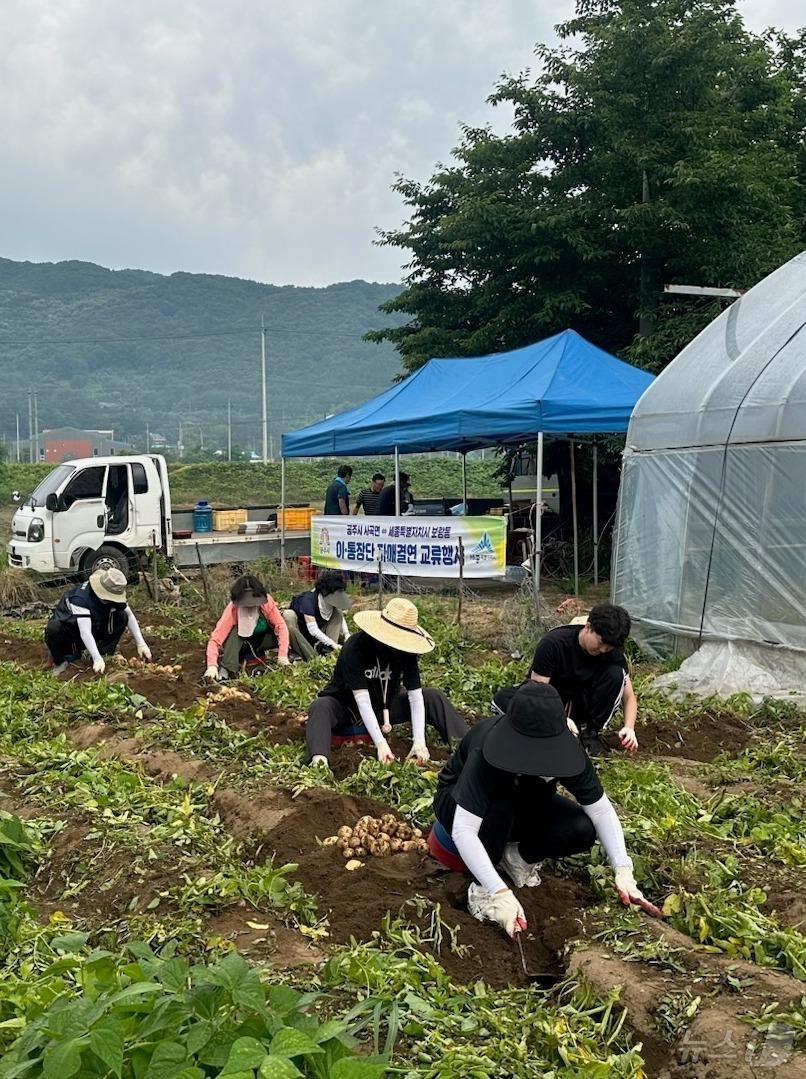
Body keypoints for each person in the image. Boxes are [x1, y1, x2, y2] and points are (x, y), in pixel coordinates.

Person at [430, 681, 660, 939]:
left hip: (522, 799)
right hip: (459, 802)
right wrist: (498, 890)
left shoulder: (567, 749)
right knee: (502, 804)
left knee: (581, 829)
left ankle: (516, 858)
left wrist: (622, 868)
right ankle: (482, 890)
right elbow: (464, 828)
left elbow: (601, 811)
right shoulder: (488, 746)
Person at [305, 596, 469, 767]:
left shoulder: (406, 651)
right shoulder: (355, 647)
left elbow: (415, 696)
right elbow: (362, 701)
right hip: (347, 707)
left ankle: (468, 747)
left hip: (384, 707)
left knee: (432, 696)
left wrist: (419, 742)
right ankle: (319, 761)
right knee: (320, 706)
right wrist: (381, 744)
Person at [493, 603, 638, 756]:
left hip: (579, 702)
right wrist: (559, 718)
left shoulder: (612, 652)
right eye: (601, 643)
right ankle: (551, 732)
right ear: (588, 627)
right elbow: (538, 693)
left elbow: (629, 697)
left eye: (608, 648)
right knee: (503, 700)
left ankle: (590, 734)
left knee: (616, 674)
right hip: (549, 700)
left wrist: (629, 727)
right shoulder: (554, 643)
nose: (603, 650)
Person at [44, 568, 152, 676]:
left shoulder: (113, 594)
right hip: (71, 632)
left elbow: (129, 614)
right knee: (54, 628)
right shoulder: (80, 598)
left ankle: (103, 654)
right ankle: (62, 659)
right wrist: (97, 658)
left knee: (121, 616)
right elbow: (85, 631)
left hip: (95, 625)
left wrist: (141, 644)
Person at [204, 575, 290, 681]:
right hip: (242, 644)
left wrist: (282, 655)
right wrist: (212, 666)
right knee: (235, 632)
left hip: (262, 640)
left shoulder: (266, 603)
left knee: (290, 631)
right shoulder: (233, 609)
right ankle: (227, 668)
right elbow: (215, 639)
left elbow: (280, 626)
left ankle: (306, 657)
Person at [283, 570, 352, 661]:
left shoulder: (331, 603)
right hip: (301, 633)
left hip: (320, 632)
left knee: (338, 612)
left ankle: (327, 651)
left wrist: (347, 635)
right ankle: (299, 652)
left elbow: (340, 617)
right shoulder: (308, 601)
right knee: (288, 614)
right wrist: (333, 644)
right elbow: (313, 629)